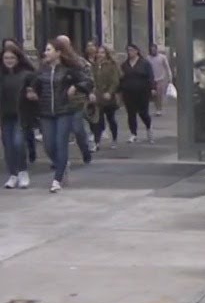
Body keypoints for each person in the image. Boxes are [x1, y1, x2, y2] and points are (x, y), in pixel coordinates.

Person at [29, 37, 92, 192]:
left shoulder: (69, 69)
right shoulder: (42, 69)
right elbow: (34, 84)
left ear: (58, 53)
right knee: (49, 146)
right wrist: (31, 92)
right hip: (45, 112)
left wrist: (76, 87)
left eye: (49, 50)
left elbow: (87, 81)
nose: (46, 52)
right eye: (46, 50)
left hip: (64, 111)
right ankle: (62, 166)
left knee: (60, 143)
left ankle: (57, 180)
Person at [1, 45, 37, 188]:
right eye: (6, 58)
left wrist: (32, 94)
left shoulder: (26, 74)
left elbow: (35, 88)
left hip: (21, 115)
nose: (8, 60)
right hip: (5, 116)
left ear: (18, 59)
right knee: (8, 146)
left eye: (12, 58)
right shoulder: (1, 75)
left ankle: (23, 172)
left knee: (18, 143)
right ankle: (13, 174)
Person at [119, 43, 155, 143]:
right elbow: (121, 78)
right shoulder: (124, 65)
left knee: (143, 112)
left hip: (142, 91)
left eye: (131, 50)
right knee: (131, 113)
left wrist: (152, 88)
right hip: (128, 92)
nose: (129, 52)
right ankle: (133, 133)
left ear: (136, 51)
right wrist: (120, 89)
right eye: (128, 50)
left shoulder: (144, 63)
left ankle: (149, 127)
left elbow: (150, 76)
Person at [90, 44, 122, 149]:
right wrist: (92, 92)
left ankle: (114, 139)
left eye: (102, 52)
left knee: (110, 118)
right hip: (98, 95)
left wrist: (110, 92)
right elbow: (92, 79)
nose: (100, 55)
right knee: (97, 120)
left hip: (108, 96)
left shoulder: (111, 65)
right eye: (99, 52)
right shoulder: (94, 65)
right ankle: (97, 142)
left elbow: (115, 81)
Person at [148, 43, 173, 116]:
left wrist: (169, 77)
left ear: (156, 50)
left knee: (159, 94)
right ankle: (157, 108)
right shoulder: (148, 58)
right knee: (154, 95)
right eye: (152, 50)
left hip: (160, 78)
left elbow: (167, 67)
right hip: (152, 79)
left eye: (154, 49)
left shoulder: (162, 57)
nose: (153, 51)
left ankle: (159, 109)